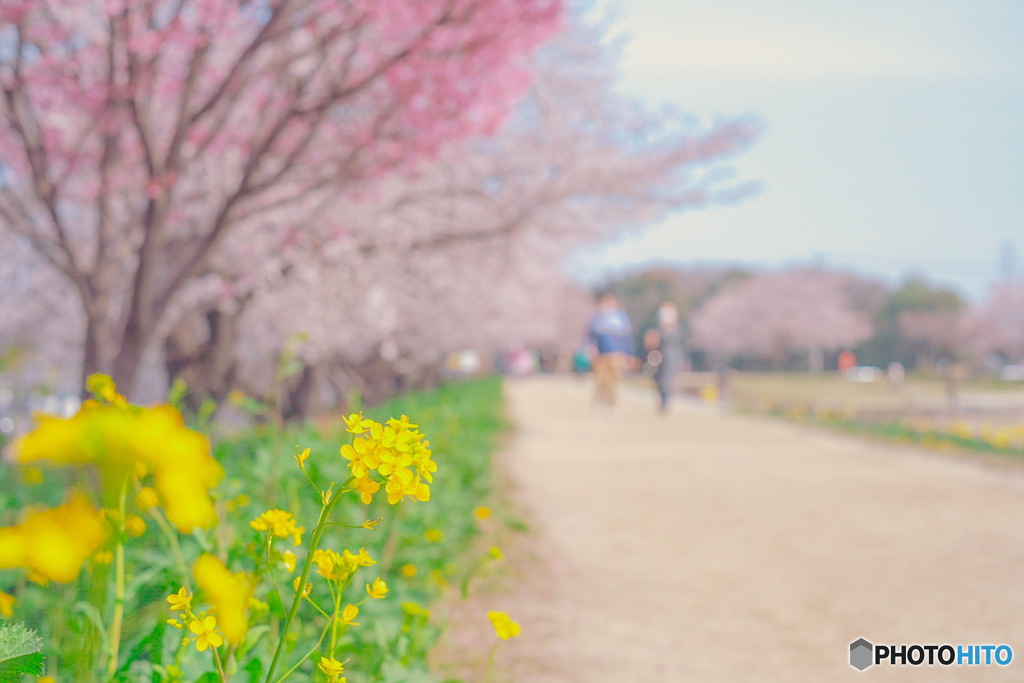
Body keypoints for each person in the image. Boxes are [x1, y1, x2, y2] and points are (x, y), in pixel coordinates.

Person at [585, 293, 635, 412]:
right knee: (601, 382)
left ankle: (611, 406)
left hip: (617, 356)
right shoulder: (597, 320)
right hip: (601, 356)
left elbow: (627, 338)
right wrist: (590, 348)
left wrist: (630, 354)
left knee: (614, 383)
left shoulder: (621, 319)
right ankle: (599, 404)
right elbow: (590, 337)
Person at [644, 302, 688, 413]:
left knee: (667, 381)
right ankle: (662, 401)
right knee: (659, 381)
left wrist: (686, 360)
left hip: (674, 359)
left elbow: (684, 345)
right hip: (660, 359)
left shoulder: (679, 329)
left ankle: (665, 404)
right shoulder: (657, 331)